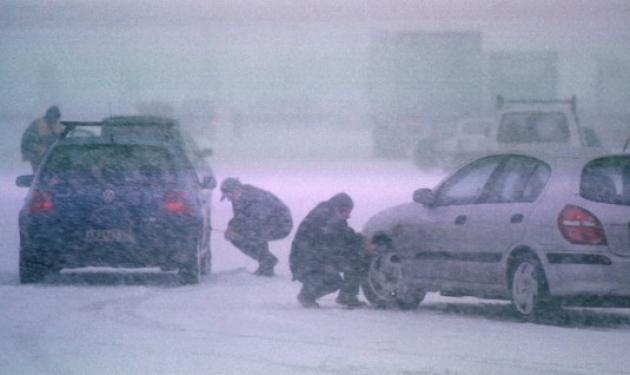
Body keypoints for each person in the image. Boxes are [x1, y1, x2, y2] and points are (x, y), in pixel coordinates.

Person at [289, 192, 371, 308]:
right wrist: (363, 244)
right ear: (340, 208)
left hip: (318, 258)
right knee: (333, 280)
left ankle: (347, 296)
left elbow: (346, 235)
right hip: (305, 262)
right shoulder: (323, 217)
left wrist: (362, 241)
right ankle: (306, 296)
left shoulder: (331, 216)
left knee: (356, 259)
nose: (349, 216)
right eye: (347, 212)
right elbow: (339, 239)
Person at [221, 177, 293, 276]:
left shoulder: (254, 197)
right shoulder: (238, 197)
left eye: (229, 195)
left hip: (281, 224)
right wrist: (231, 227)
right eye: (226, 196)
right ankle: (266, 261)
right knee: (237, 236)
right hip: (264, 222)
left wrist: (236, 229)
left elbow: (255, 220)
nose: (228, 199)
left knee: (253, 233)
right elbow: (240, 217)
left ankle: (266, 263)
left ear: (237, 189)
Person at [21, 106, 64, 172]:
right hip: (38, 157)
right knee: (40, 174)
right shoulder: (37, 124)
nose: (55, 119)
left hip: (54, 158)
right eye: (53, 116)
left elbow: (63, 141)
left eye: (56, 117)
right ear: (48, 115)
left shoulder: (60, 127)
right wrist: (33, 151)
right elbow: (26, 141)